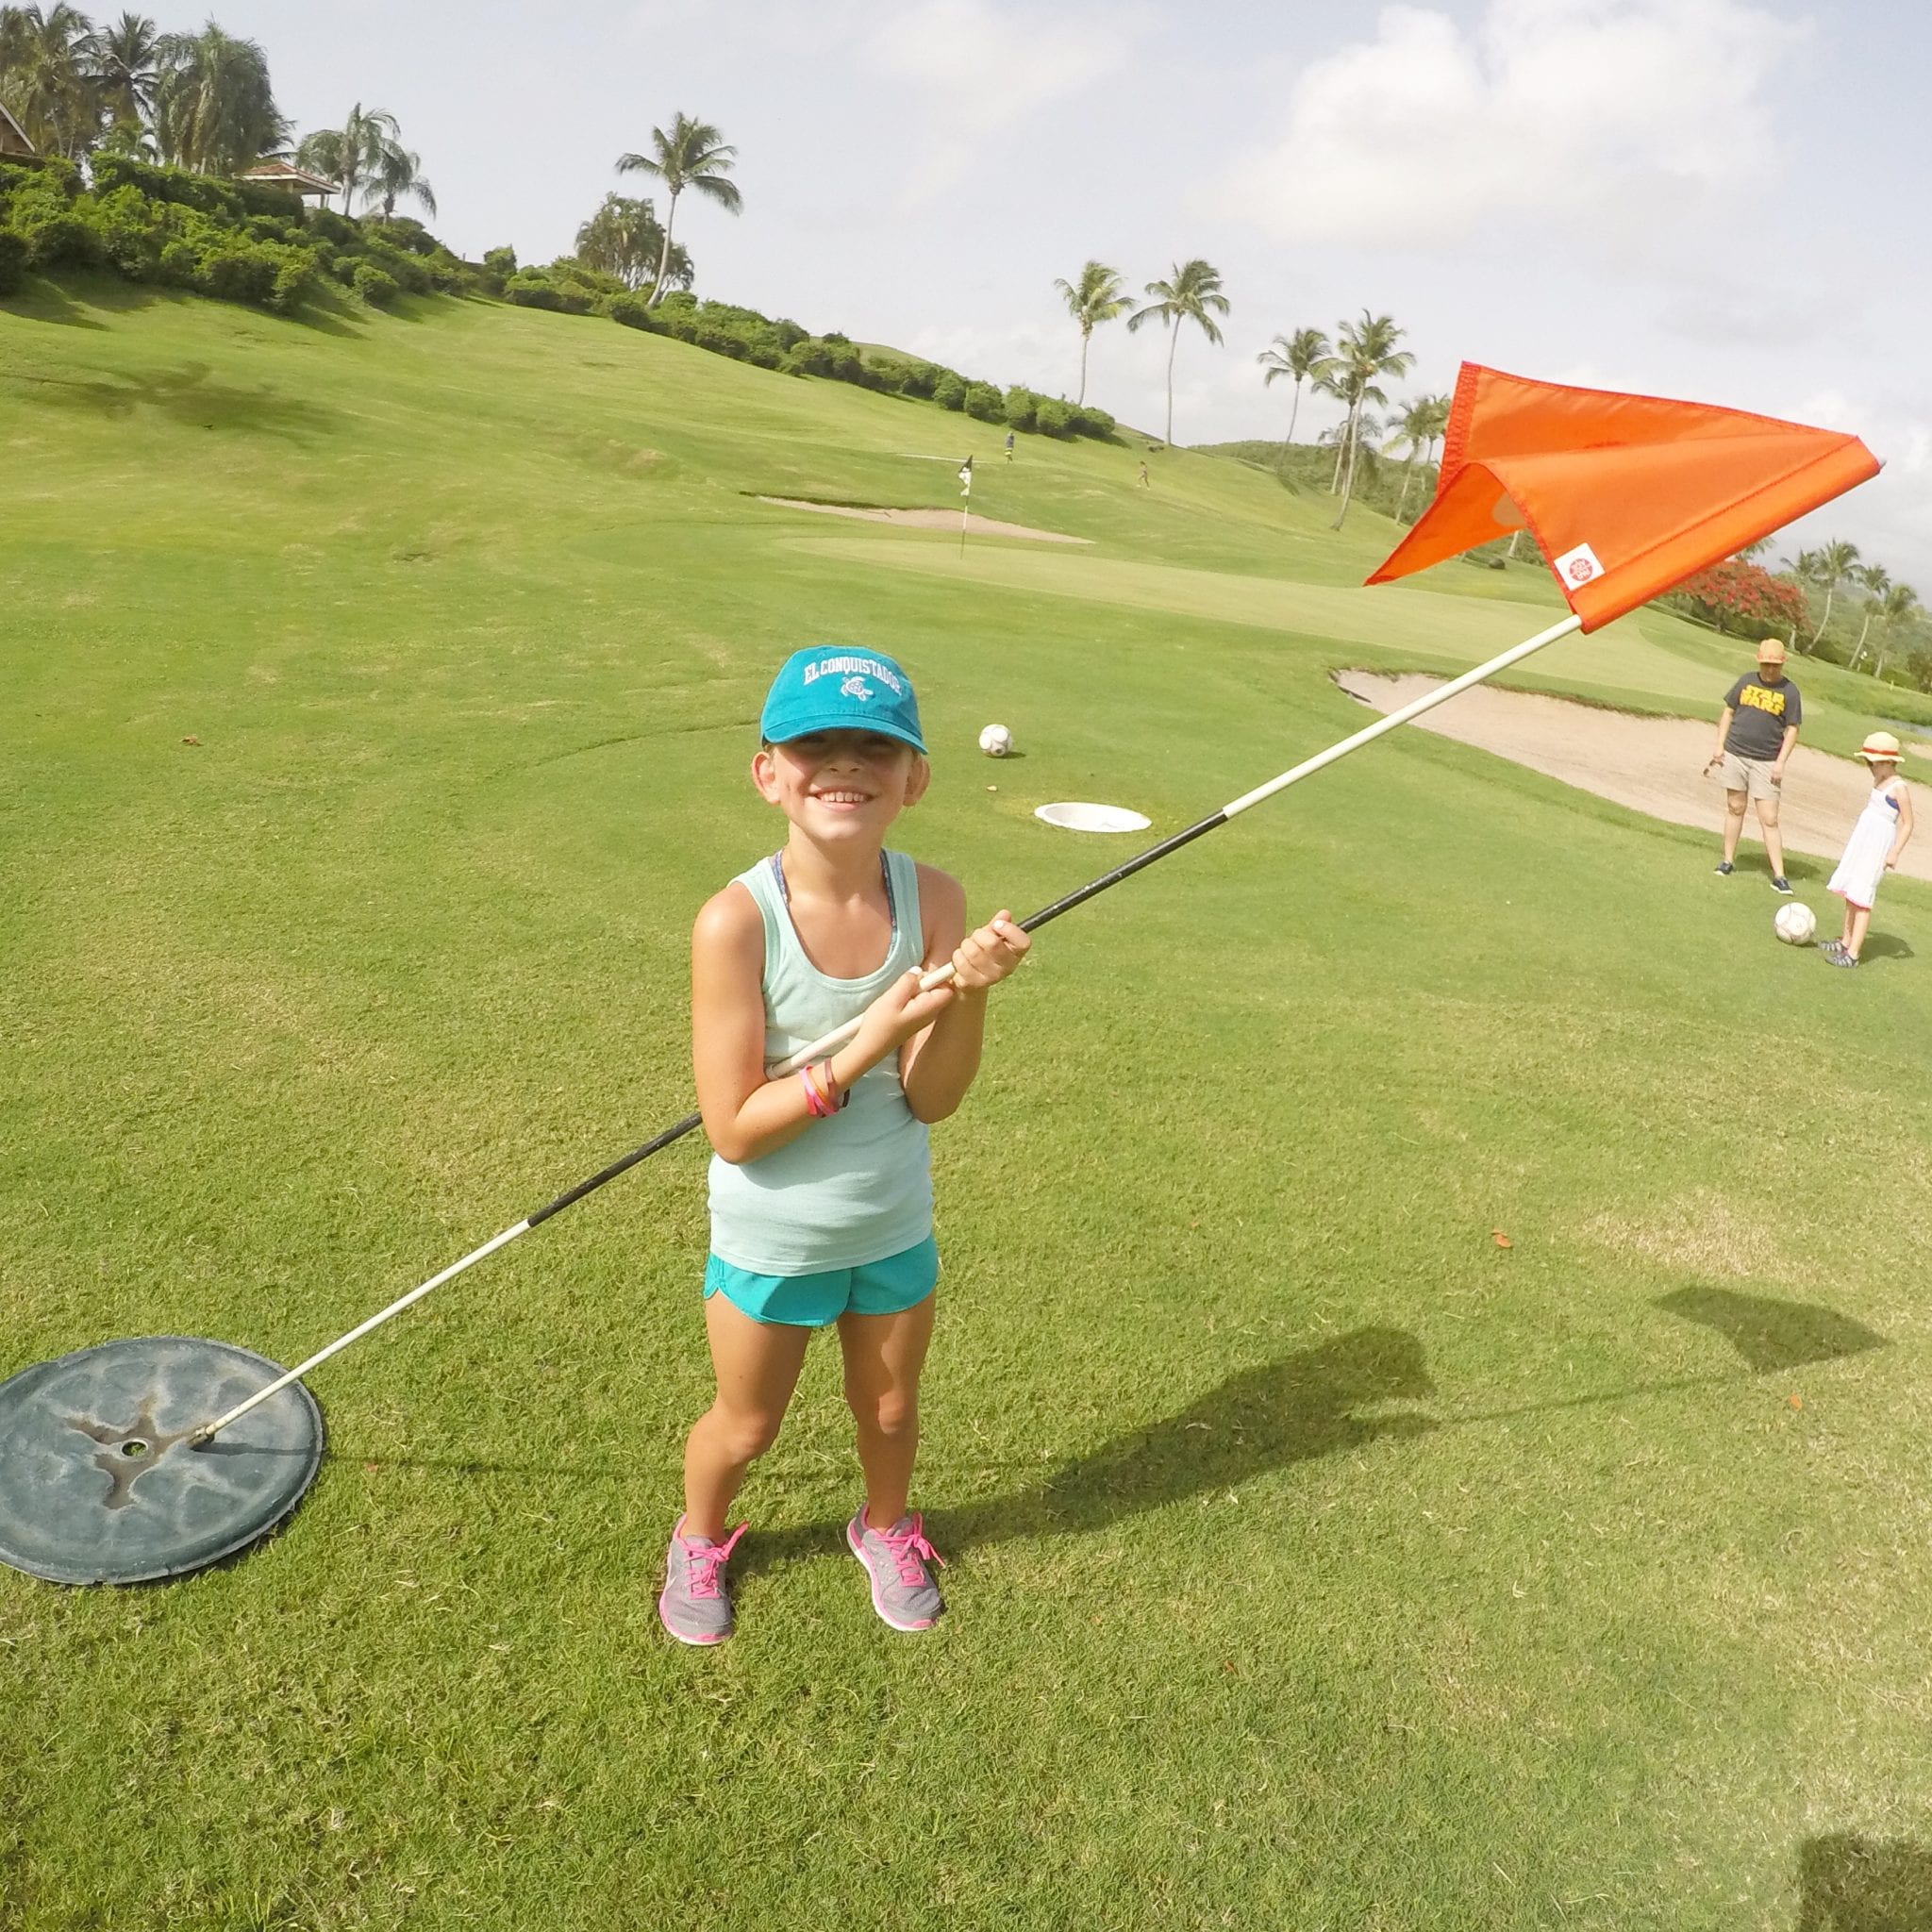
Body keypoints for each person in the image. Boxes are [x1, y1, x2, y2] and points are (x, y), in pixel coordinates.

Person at [659, 647, 1030, 1644]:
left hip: (890, 1219)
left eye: (876, 744)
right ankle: (695, 1538)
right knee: (746, 1426)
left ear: (913, 778)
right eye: (814, 741)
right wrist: (866, 1038)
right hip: (773, 1234)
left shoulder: (935, 899)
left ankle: (884, 1524)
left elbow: (932, 1098)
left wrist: (968, 996)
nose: (845, 762)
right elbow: (733, 1129)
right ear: (767, 771)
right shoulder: (734, 922)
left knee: (893, 1411)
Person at [1704, 639, 1801, 893]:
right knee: (1735, 807)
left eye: (1774, 665)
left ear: (1782, 664)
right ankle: (1727, 860)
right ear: (1759, 660)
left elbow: (1792, 729)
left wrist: (1780, 762)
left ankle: (1779, 876)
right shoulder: (1746, 681)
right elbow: (1728, 712)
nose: (1770, 670)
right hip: (1736, 753)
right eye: (1766, 664)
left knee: (1769, 818)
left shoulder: (1789, 691)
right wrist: (1719, 746)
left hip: (1767, 761)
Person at [1824, 731, 1914, 967]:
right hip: (1863, 839)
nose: (1869, 767)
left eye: (1872, 762)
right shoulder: (1879, 781)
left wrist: (1894, 852)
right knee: (1851, 891)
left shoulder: (1899, 788)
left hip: (1878, 844)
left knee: (1863, 896)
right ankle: (1845, 940)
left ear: (1887, 762)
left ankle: (1853, 954)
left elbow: (1908, 823)